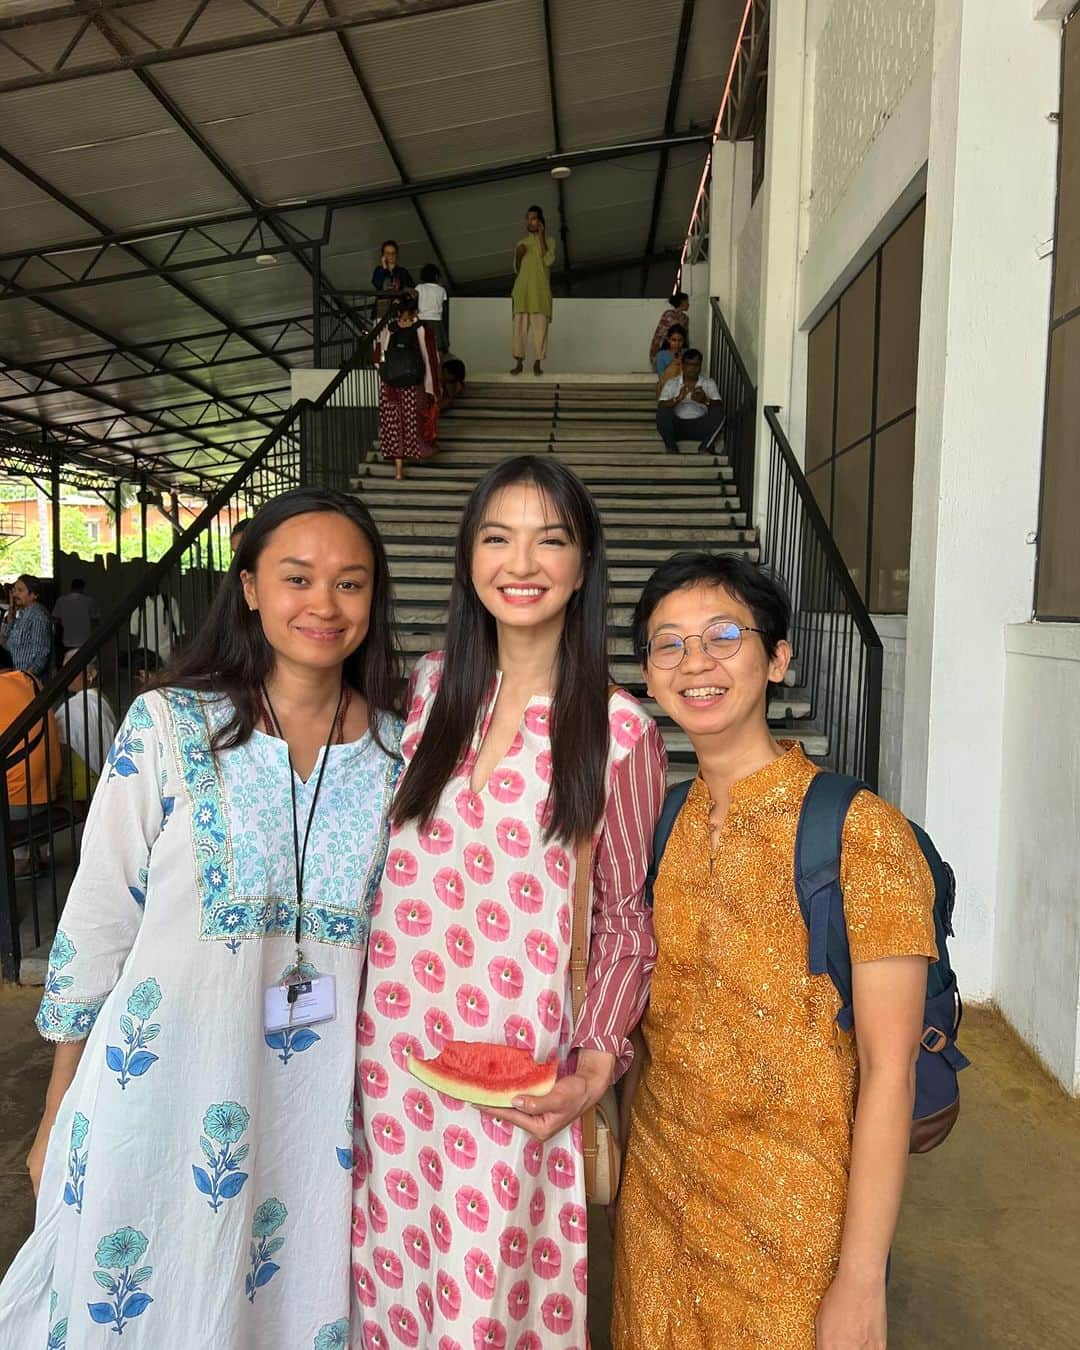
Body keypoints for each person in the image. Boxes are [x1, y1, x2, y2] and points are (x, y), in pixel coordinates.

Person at [0, 487, 405, 1348]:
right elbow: (100, 916)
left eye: (351, 583)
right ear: (251, 587)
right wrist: (56, 1107)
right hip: (159, 1094)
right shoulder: (169, 724)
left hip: (318, 1118)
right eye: (298, 578)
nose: (323, 605)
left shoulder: (402, 756)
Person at [352, 454, 667, 1348]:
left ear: (581, 564)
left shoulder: (620, 731)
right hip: (391, 1068)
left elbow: (623, 921)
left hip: (520, 1075)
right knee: (389, 1283)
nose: (520, 562)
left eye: (549, 540)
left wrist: (595, 1068)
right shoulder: (426, 691)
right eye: (497, 537)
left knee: (490, 1302)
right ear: (468, 557)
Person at [612, 553, 938, 1350]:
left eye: (724, 636)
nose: (697, 663)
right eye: (669, 644)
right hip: (657, 1219)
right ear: (648, 676)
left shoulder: (861, 832)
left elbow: (891, 1073)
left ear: (778, 656)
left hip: (796, 1234)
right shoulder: (659, 824)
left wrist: (861, 1280)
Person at [0, 644, 61, 878]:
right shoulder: (30, 679)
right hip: (47, 791)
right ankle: (29, 853)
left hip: (15, 805)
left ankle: (21, 861)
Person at [375, 294, 442, 481]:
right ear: (415, 311)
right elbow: (430, 359)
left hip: (391, 385)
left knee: (394, 424)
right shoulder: (422, 329)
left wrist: (386, 375)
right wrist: (433, 388)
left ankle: (398, 471)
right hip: (414, 384)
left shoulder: (389, 329)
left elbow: (378, 357)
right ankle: (420, 450)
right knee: (416, 419)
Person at [56, 657, 118, 800]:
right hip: (101, 784)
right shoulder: (99, 699)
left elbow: (59, 749)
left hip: (77, 787)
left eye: (72, 669)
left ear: (91, 674)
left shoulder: (76, 705)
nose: (66, 675)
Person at [510, 204, 556, 376]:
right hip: (522, 292)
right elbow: (516, 268)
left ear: (540, 221)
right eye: (528, 218)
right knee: (519, 329)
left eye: (534, 218)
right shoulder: (521, 243)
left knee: (540, 329)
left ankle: (537, 362)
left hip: (540, 293)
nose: (530, 221)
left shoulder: (550, 241)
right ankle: (519, 363)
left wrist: (542, 235)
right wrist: (520, 254)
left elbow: (549, 261)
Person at [655, 348, 723, 454]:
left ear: (700, 366)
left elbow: (719, 405)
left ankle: (705, 447)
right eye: (689, 364)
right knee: (662, 412)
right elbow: (661, 405)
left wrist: (705, 400)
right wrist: (677, 399)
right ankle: (671, 448)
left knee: (719, 412)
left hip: (701, 426)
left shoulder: (709, 383)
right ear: (682, 365)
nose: (693, 368)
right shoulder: (672, 383)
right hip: (677, 427)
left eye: (696, 365)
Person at [0, 574, 54, 679]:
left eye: (20, 590)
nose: (15, 594)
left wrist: (26, 678)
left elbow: (41, 654)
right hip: (14, 678)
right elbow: (3, 643)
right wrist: (8, 620)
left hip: (27, 682)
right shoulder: (18, 614)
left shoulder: (38, 616)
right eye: (14, 590)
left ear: (34, 595)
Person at [129, 583, 181, 662]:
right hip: (145, 654)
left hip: (166, 653)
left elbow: (179, 629)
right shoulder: (139, 604)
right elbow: (134, 631)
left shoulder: (169, 600)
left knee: (165, 673)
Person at [52, 578, 100, 659]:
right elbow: (95, 620)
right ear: (82, 588)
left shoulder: (61, 601)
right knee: (86, 665)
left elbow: (56, 620)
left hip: (68, 641)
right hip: (85, 640)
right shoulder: (89, 601)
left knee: (69, 665)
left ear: (71, 587)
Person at [648, 290, 690, 365]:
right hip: (663, 348)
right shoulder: (669, 315)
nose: (688, 304)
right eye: (687, 301)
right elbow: (661, 335)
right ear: (682, 302)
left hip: (678, 350)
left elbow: (685, 337)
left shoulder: (685, 318)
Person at [416, 262, 449, 353]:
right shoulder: (442, 289)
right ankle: (438, 366)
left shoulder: (419, 287)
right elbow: (444, 305)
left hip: (422, 320)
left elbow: (414, 302)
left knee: (422, 347)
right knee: (437, 348)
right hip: (437, 321)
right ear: (436, 276)